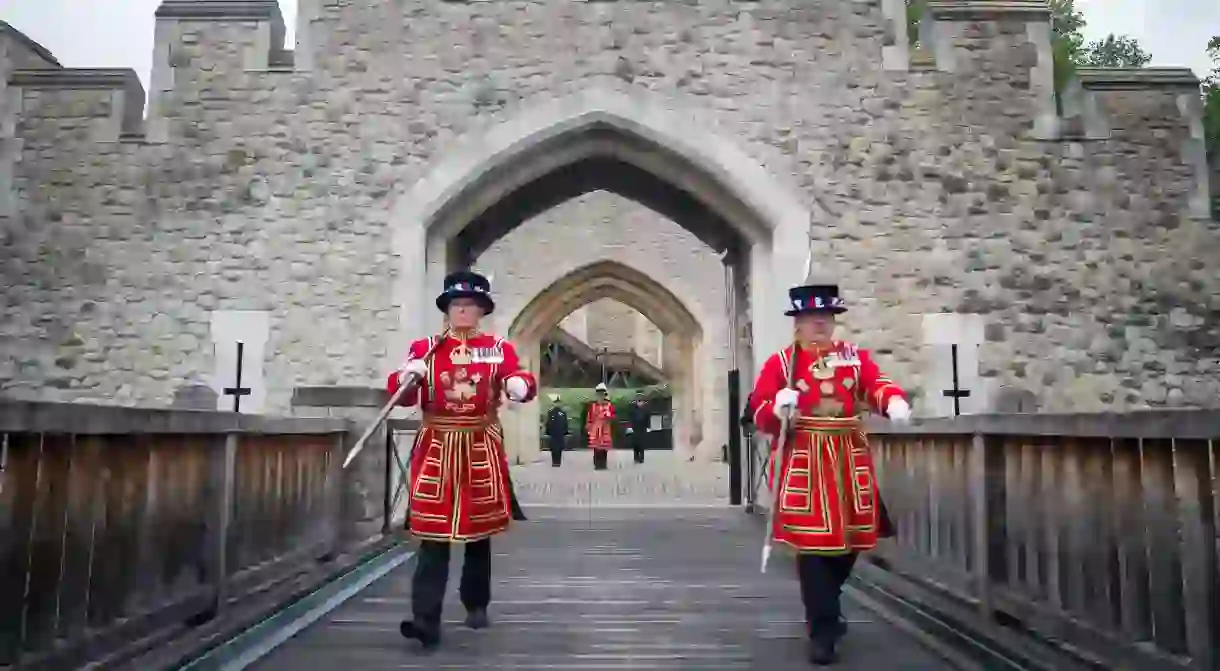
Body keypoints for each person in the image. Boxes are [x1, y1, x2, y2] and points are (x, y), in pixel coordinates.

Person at [748, 282, 911, 666]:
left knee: (852, 539)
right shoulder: (782, 364)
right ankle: (822, 630)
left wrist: (894, 401)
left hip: (848, 457)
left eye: (826, 317)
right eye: (811, 317)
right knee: (814, 546)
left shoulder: (853, 358)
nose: (820, 323)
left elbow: (875, 384)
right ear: (798, 323)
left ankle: (827, 606)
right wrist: (778, 407)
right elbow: (758, 411)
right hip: (805, 456)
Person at [387, 269, 537, 652]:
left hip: (478, 445)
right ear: (447, 309)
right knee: (433, 535)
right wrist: (407, 377)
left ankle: (476, 603)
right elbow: (400, 398)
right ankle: (425, 620)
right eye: (457, 305)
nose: (463, 312)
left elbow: (518, 377)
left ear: (482, 310)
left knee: (477, 532)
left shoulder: (497, 348)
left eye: (470, 306)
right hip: (437, 445)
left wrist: (520, 386)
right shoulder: (424, 349)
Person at [586, 383, 615, 470]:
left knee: (604, 448)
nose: (601, 397)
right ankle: (597, 464)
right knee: (596, 448)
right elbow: (589, 418)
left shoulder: (609, 406)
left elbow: (613, 416)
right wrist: (589, 428)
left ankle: (603, 464)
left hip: (605, 429)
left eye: (602, 394)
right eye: (599, 395)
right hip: (595, 429)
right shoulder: (593, 406)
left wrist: (608, 416)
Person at [544, 394, 569, 467]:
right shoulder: (550, 412)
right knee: (553, 448)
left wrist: (566, 431)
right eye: (556, 402)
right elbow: (548, 422)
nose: (557, 404)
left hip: (560, 433)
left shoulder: (563, 412)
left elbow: (565, 422)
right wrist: (547, 431)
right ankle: (554, 461)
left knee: (559, 448)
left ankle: (558, 461)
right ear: (554, 403)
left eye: (558, 403)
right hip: (553, 433)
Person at [626, 391, 649, 464]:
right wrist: (630, 427)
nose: (640, 403)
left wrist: (648, 427)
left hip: (642, 428)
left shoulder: (645, 410)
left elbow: (647, 419)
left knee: (641, 444)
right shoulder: (633, 409)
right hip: (635, 428)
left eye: (641, 401)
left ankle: (641, 458)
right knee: (635, 444)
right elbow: (630, 418)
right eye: (638, 401)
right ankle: (636, 457)